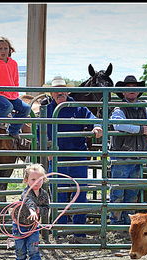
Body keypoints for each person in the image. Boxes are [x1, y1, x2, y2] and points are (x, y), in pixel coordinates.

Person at [40, 76, 103, 243]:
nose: (60, 93)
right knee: (59, 193)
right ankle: (60, 229)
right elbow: (40, 131)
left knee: (80, 192)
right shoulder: (46, 109)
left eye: (62, 89)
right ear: (52, 93)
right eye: (56, 90)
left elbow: (93, 119)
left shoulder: (78, 107)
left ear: (67, 91)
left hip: (77, 156)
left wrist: (97, 126)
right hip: (58, 156)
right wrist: (47, 147)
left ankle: (79, 231)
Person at [109, 76, 147, 225]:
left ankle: (128, 223)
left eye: (134, 87)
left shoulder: (144, 107)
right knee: (118, 190)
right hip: (122, 154)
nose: (132, 90)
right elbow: (118, 125)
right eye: (128, 87)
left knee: (132, 192)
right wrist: (141, 129)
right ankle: (116, 223)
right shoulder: (118, 108)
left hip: (136, 154)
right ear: (123, 92)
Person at [0, 36, 31, 140]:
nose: (3, 51)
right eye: (0, 48)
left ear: (10, 50)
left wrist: (15, 93)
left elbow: (15, 80)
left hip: (10, 94)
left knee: (26, 108)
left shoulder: (13, 63)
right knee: (8, 107)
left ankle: (13, 130)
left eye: (5, 48)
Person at [13, 164, 50, 260]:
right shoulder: (26, 192)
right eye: (33, 179)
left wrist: (39, 211)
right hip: (19, 225)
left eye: (39, 179)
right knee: (20, 249)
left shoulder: (44, 194)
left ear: (43, 179)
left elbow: (46, 208)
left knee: (33, 249)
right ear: (26, 180)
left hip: (33, 226)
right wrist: (32, 210)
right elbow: (28, 201)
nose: (37, 182)